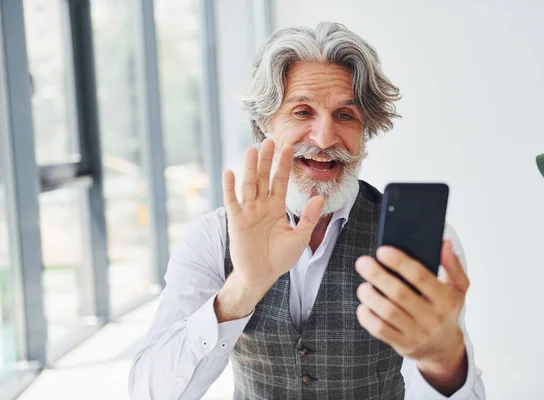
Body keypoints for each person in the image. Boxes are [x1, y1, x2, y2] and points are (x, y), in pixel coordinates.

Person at [129, 21, 486, 400]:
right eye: (302, 112)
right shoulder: (213, 237)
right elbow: (149, 392)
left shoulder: (428, 240)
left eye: (345, 115)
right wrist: (241, 290)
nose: (324, 138)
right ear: (265, 123)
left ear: (366, 129)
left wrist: (444, 362)